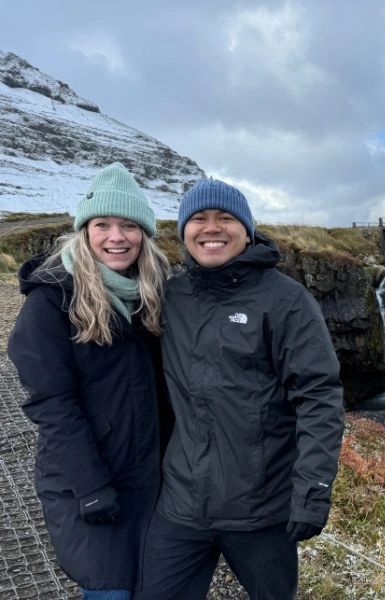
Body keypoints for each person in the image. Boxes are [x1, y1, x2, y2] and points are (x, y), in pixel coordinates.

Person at [137, 179, 345, 599]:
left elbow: (319, 398)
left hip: (262, 510)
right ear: (182, 232)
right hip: (181, 503)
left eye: (225, 218)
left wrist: (313, 490)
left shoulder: (287, 301)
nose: (211, 228)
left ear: (247, 230)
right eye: (198, 218)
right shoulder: (168, 297)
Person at [8, 163, 170, 599]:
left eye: (129, 225)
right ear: (85, 230)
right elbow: (51, 405)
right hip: (88, 482)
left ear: (145, 234)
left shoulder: (155, 293)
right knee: (110, 589)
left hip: (153, 477)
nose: (117, 237)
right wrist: (91, 487)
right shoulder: (51, 301)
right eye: (103, 224)